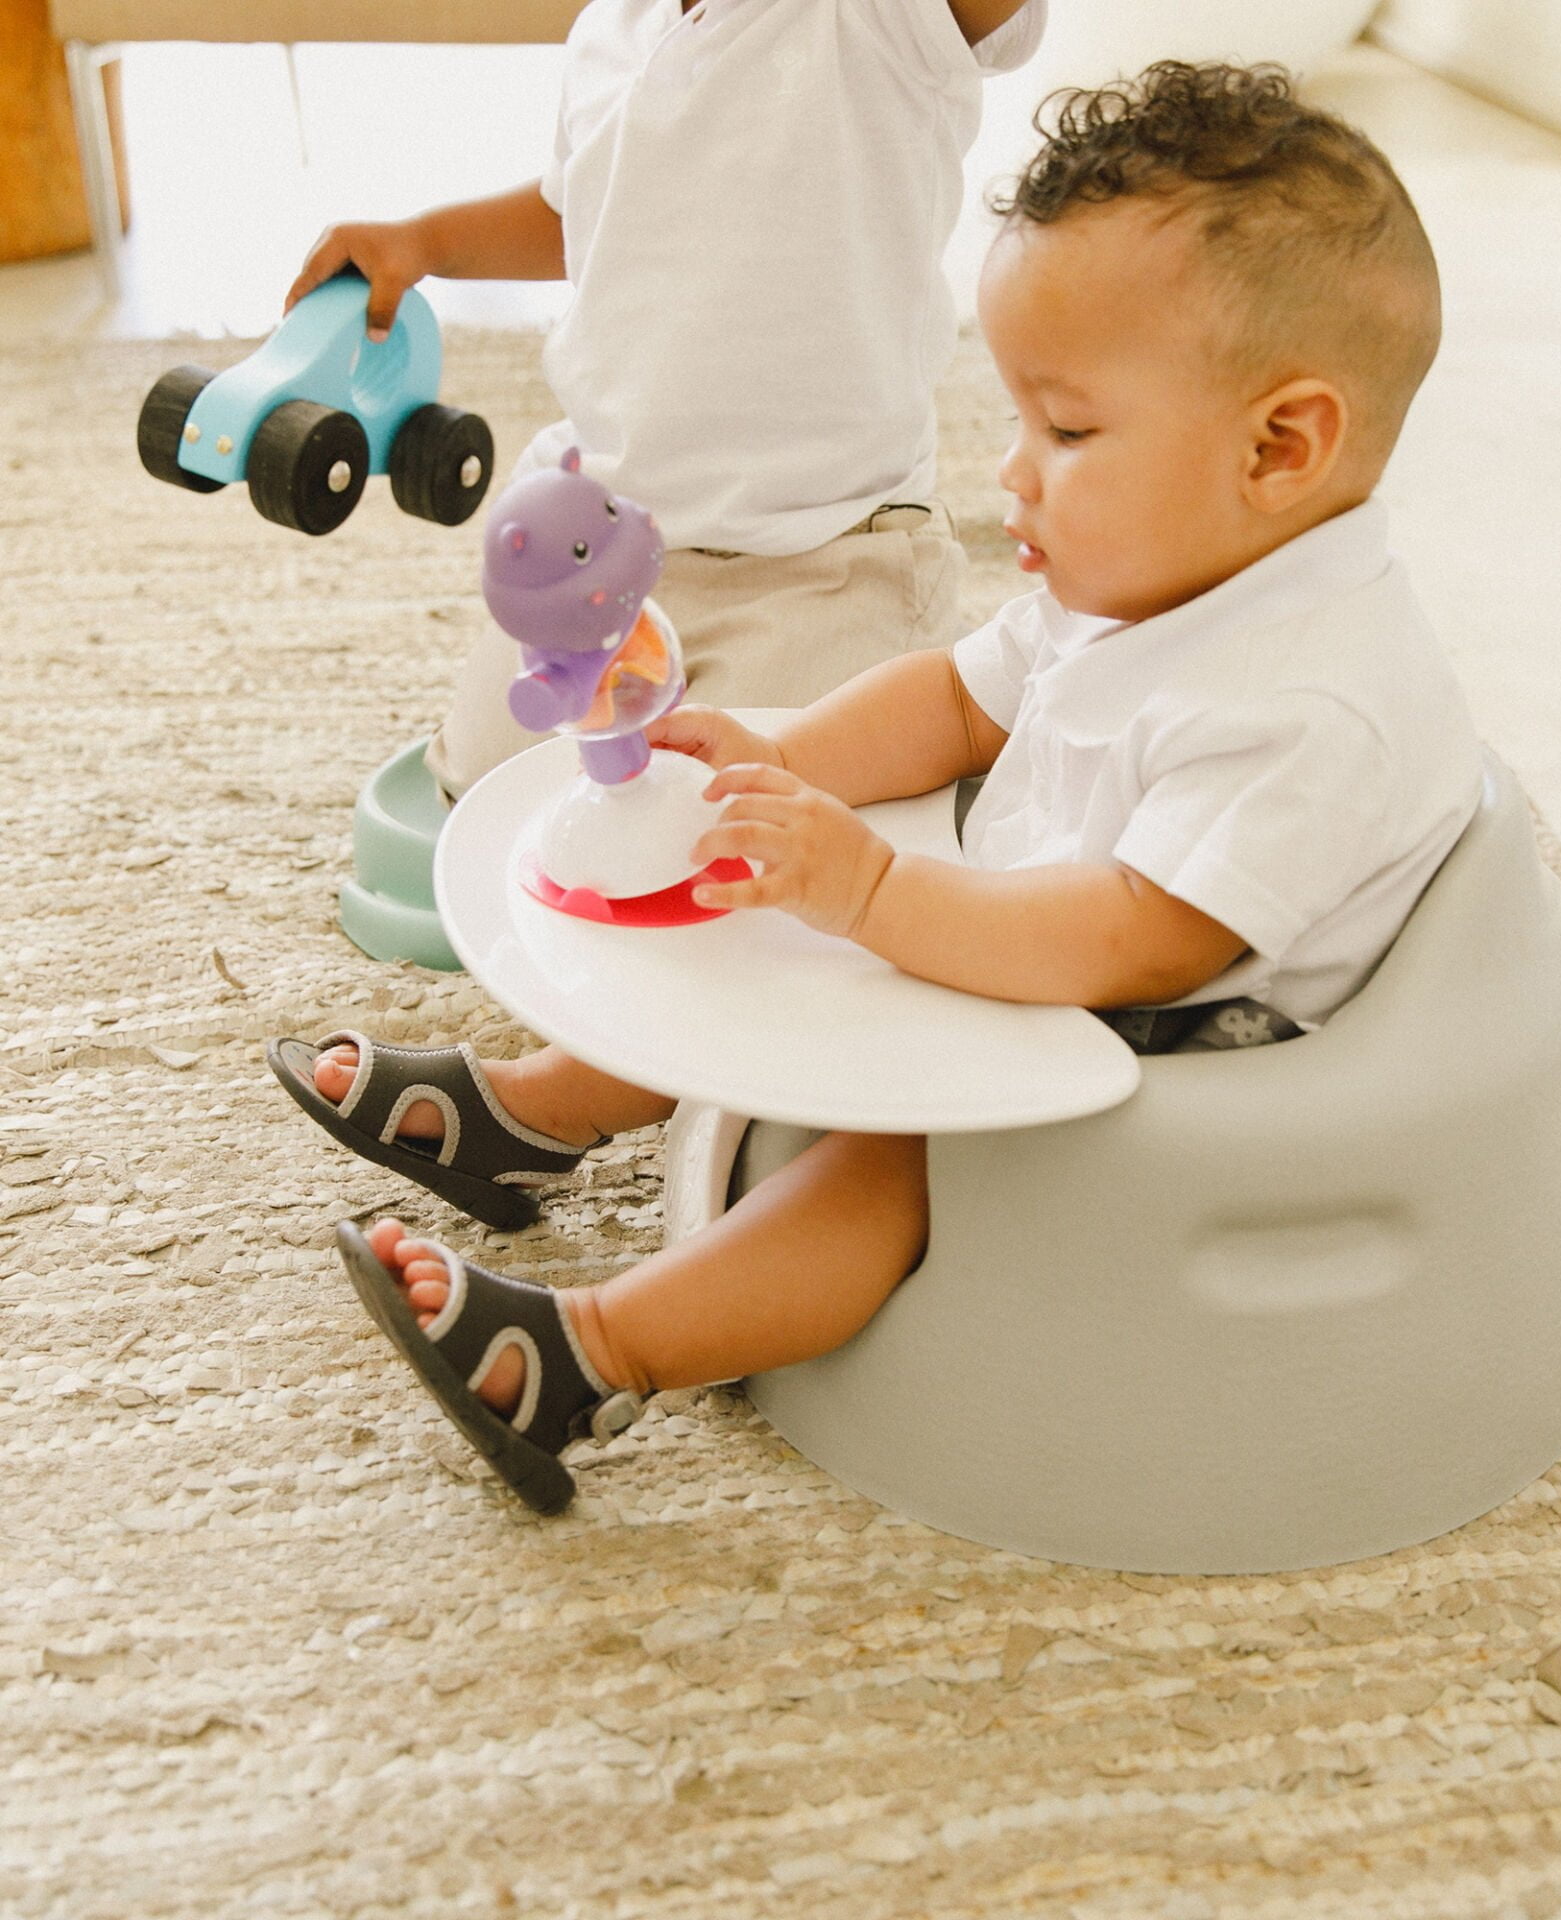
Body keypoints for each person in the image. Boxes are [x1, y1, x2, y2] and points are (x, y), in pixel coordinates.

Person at [269, 61, 1487, 1512]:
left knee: (894, 1163)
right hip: (1053, 928)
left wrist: (879, 892)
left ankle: (585, 1356)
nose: (1013, 473)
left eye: (1072, 433)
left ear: (1281, 445)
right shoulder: (1154, 572)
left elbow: (1147, 941)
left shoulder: (1306, 701)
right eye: (1023, 422)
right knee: (773, 901)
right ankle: (543, 1116)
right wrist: (786, 766)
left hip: (1185, 1044)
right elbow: (962, 699)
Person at [283, 0, 1048, 799]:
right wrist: (426, 242)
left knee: (755, 798)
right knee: (490, 786)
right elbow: (582, 211)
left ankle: (935, 663)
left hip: (830, 551)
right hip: (613, 541)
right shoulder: (611, 30)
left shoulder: (881, 18)